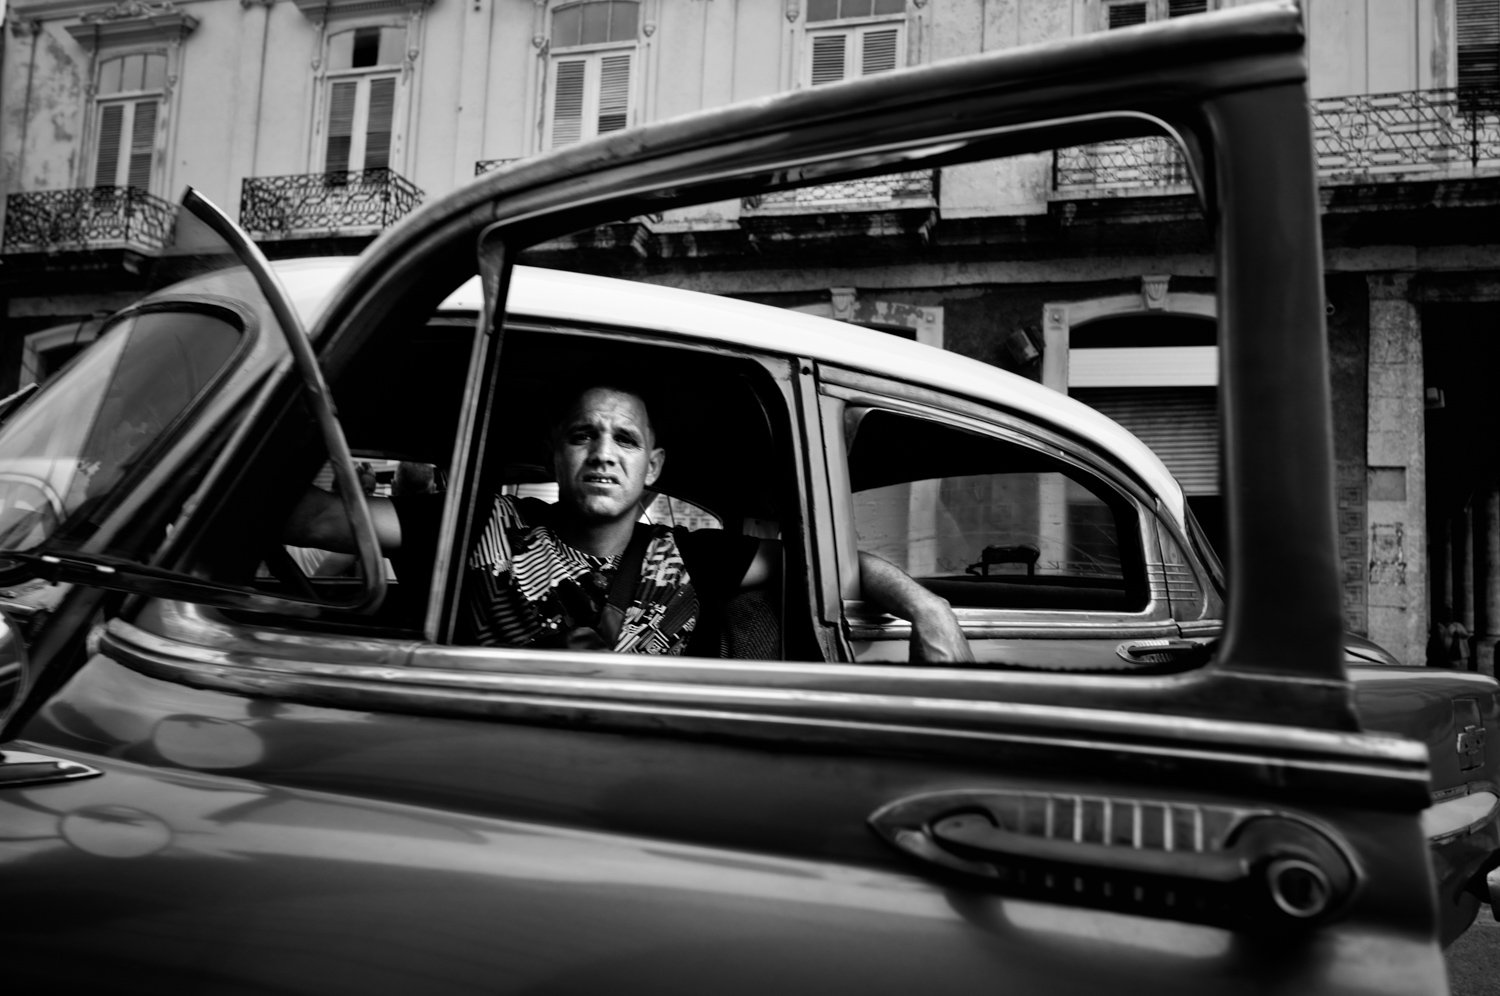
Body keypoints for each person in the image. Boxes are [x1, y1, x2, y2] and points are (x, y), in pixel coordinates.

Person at [288, 382, 972, 663]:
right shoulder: (481, 527)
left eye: (625, 440)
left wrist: (924, 605)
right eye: (584, 436)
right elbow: (316, 520)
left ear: (653, 466)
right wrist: (326, 396)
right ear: (556, 453)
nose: (603, 454)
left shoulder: (694, 559)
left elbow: (828, 564)